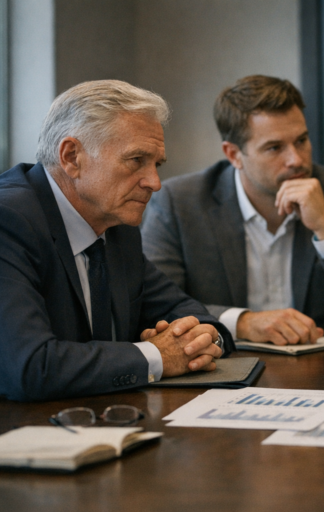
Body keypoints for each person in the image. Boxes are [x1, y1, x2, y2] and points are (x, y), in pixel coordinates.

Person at [0, 80, 233, 402]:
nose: (154, 183)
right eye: (136, 160)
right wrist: (157, 356)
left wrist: (204, 341)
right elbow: (29, 367)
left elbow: (185, 311)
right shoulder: (9, 221)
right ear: (72, 157)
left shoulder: (117, 225)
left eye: (156, 165)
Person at [141, 75, 324, 344]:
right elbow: (154, 310)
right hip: (223, 364)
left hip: (323, 367)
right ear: (234, 154)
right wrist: (243, 323)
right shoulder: (180, 203)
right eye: (274, 148)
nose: (296, 159)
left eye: (301, 141)